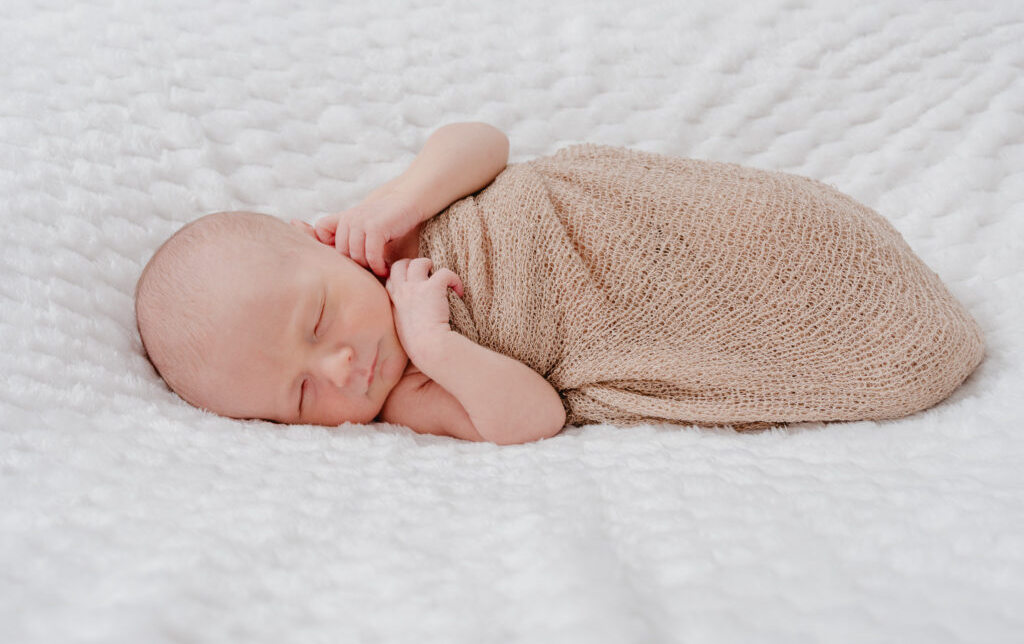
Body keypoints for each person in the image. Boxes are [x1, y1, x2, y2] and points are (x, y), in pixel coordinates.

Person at [135, 122, 985, 445]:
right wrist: (433, 343)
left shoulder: (382, 230)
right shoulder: (408, 394)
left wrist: (404, 198)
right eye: (301, 398)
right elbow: (532, 418)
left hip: (622, 222)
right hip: (619, 315)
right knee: (785, 329)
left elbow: (484, 143)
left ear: (312, 243)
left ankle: (832, 258)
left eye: (320, 320)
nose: (341, 369)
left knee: (768, 234)